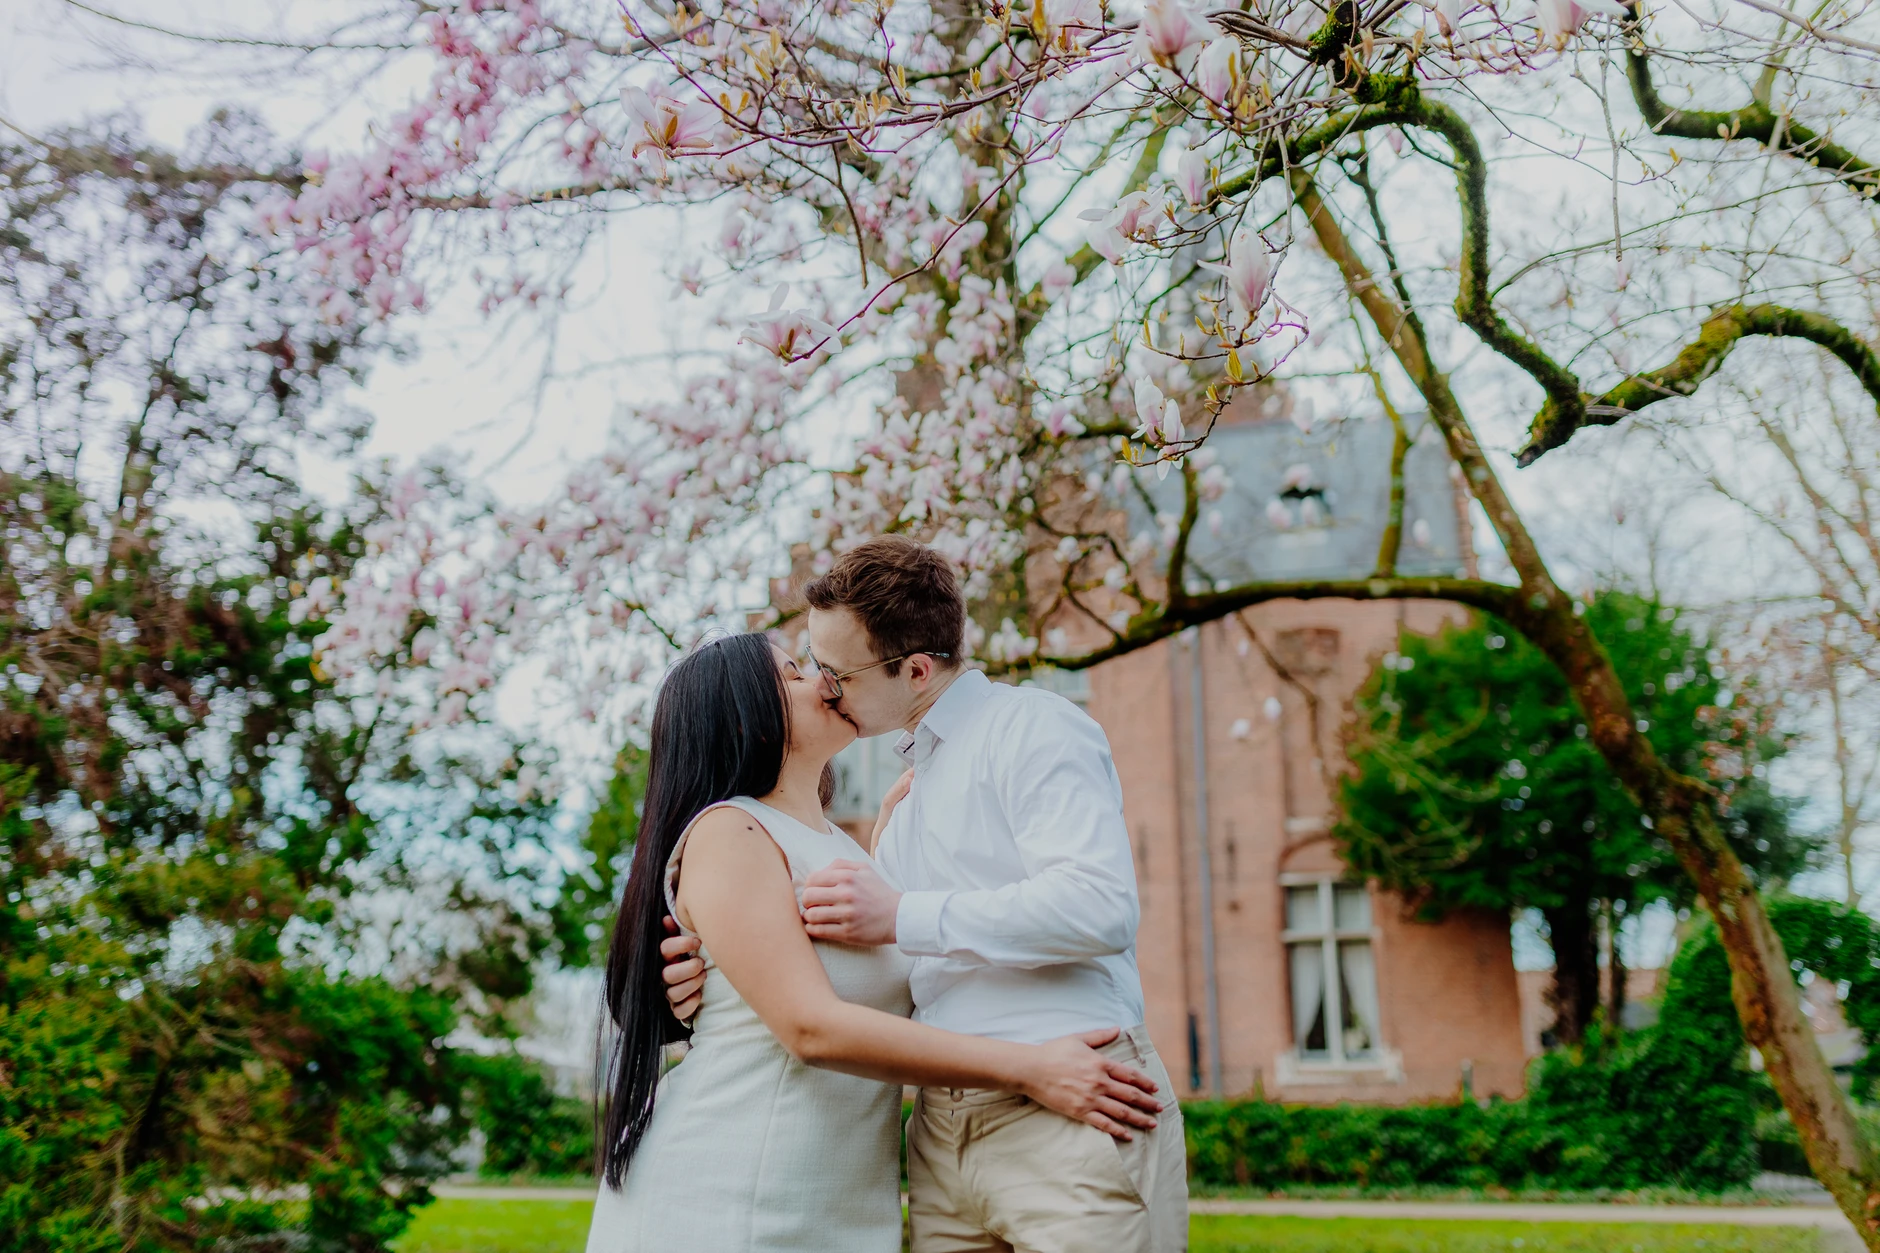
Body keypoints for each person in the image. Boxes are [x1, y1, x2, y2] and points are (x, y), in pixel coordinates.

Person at [662, 536, 1189, 1253]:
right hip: (939, 1134)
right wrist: (701, 979)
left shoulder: (1030, 725)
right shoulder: (902, 810)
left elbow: (1099, 903)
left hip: (1074, 1098)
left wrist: (900, 912)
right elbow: (868, 980)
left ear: (914, 669)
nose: (824, 687)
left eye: (834, 671)